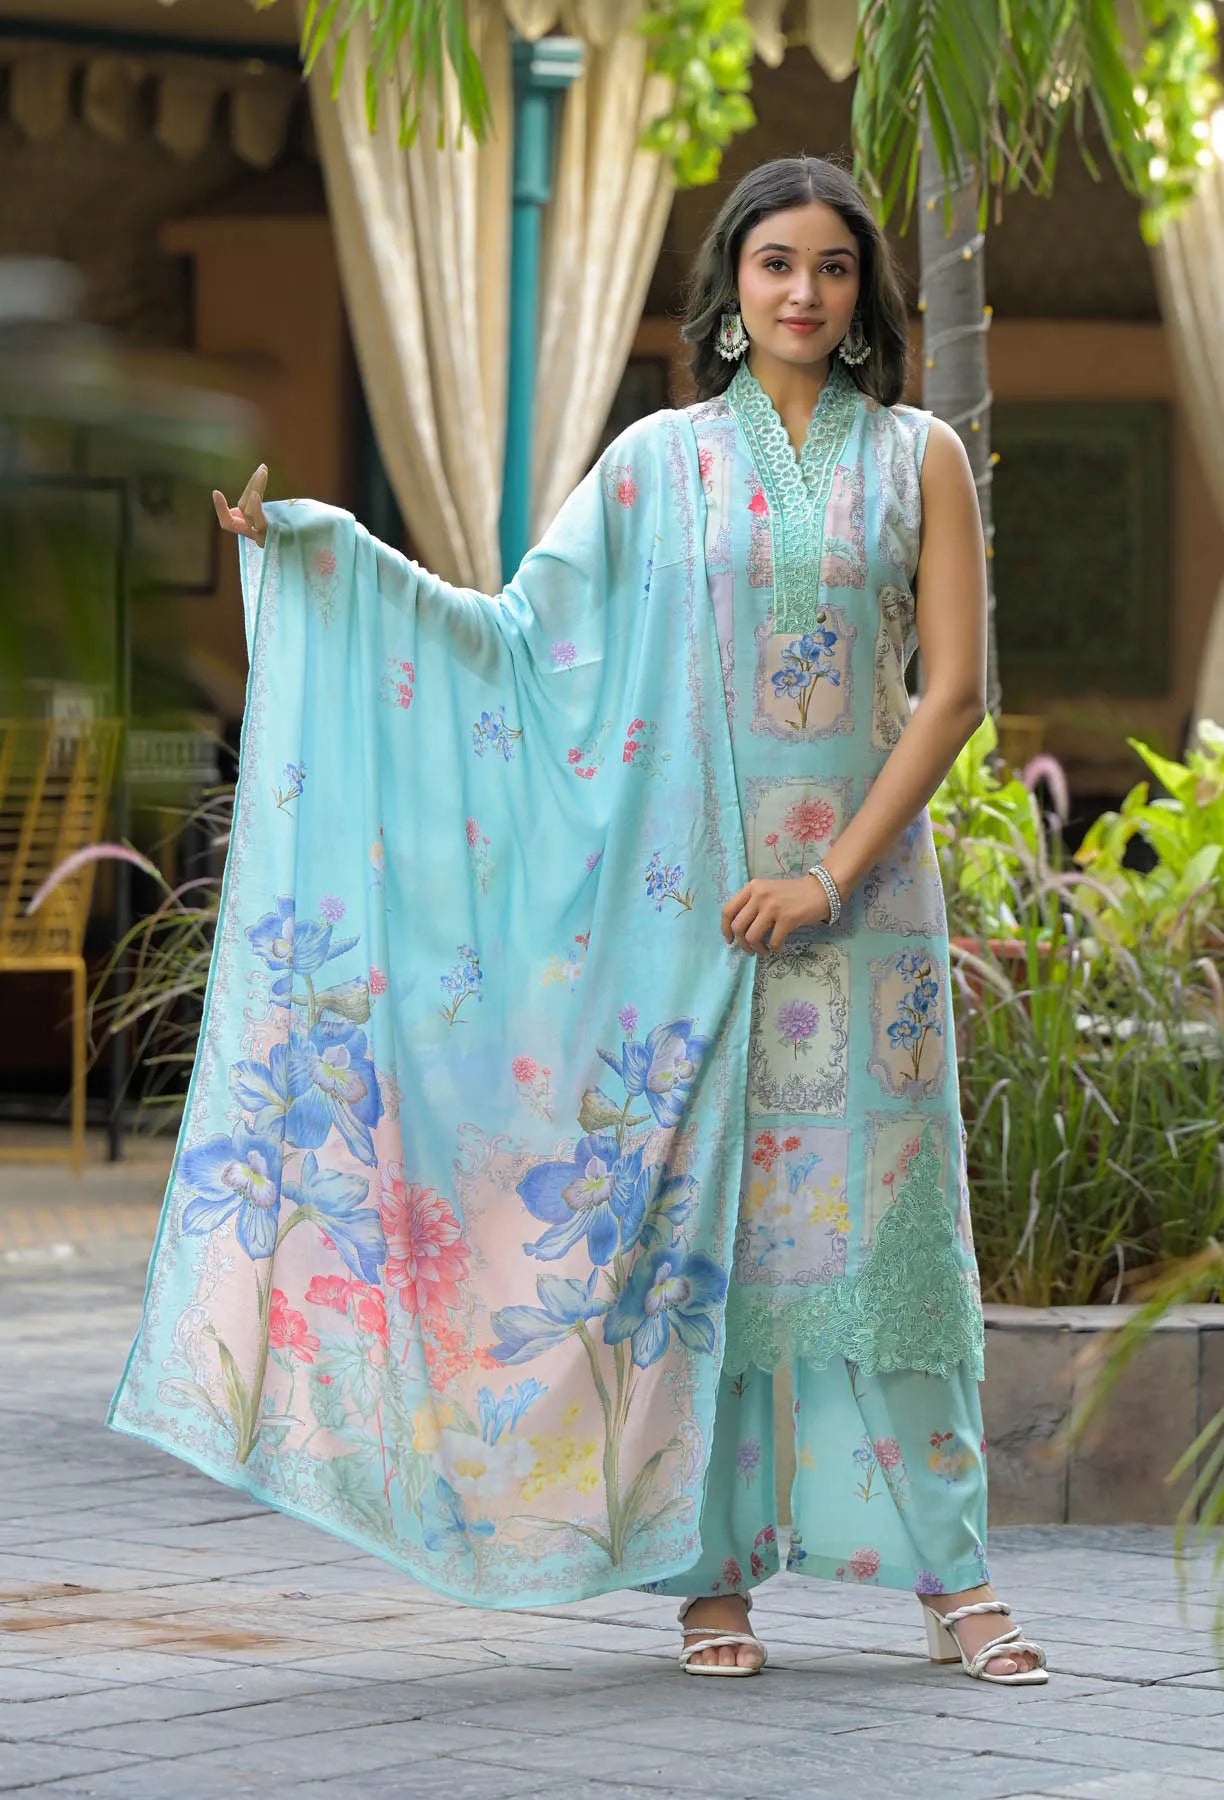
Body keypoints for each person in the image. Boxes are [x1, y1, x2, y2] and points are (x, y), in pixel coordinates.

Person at [113, 155, 1044, 1688]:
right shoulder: (655, 464)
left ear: (865, 292)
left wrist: (829, 874)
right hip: (692, 925)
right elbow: (514, 639)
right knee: (711, 1249)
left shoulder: (917, 456)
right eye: (772, 266)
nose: (802, 291)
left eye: (828, 267)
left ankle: (952, 1576)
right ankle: (709, 1580)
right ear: (731, 291)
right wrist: (333, 557)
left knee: (887, 1250)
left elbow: (949, 694)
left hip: (861, 924)